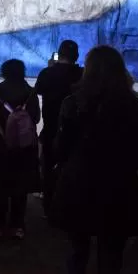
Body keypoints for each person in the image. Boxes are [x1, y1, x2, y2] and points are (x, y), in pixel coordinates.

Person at [50, 46, 138, 274]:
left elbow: (60, 148)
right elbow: (137, 153)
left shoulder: (73, 102)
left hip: (78, 185)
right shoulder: (132, 105)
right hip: (117, 188)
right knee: (110, 262)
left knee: (75, 258)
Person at [0, 59, 41, 239]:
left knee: (0, 185)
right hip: (24, 146)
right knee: (20, 185)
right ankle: (18, 225)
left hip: (1, 145)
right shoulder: (31, 93)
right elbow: (36, 119)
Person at [35, 40, 83, 215]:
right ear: (76, 56)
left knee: (48, 169)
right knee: (74, 168)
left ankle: (49, 207)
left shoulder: (47, 73)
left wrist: (51, 69)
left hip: (50, 128)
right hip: (76, 131)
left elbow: (38, 91)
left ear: (59, 55)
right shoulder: (82, 74)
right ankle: (71, 208)